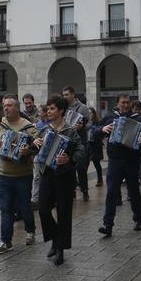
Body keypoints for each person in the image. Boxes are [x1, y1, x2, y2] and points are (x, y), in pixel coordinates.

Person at [34, 95, 85, 265]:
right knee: (42, 208)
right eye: (47, 109)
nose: (48, 112)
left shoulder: (70, 131)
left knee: (64, 212)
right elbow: (35, 149)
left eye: (52, 108)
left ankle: (60, 249)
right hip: (47, 174)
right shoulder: (44, 129)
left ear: (61, 111)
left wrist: (69, 158)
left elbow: (81, 150)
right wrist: (36, 143)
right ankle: (55, 238)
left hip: (64, 176)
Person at [0, 95, 39, 254]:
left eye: (9, 105)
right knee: (6, 209)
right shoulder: (0, 126)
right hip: (4, 176)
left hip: (23, 175)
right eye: (4, 105)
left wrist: (28, 150)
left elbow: (39, 146)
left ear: (17, 108)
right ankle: (5, 241)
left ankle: (30, 230)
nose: (6, 108)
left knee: (25, 208)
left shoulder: (29, 127)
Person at [96, 94, 141, 237]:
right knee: (111, 192)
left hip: (132, 161)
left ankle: (138, 220)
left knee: (134, 191)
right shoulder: (110, 117)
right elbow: (95, 132)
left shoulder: (138, 118)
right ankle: (108, 225)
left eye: (127, 103)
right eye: (122, 103)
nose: (125, 105)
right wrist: (102, 129)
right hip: (115, 161)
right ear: (117, 103)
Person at [62, 86, 91, 202]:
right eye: (63, 95)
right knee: (70, 168)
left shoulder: (82, 108)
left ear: (73, 94)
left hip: (81, 141)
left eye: (66, 95)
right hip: (68, 142)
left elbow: (90, 124)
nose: (65, 97)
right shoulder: (63, 108)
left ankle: (84, 190)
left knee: (81, 168)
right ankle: (72, 191)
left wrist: (82, 126)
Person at [31, 104, 50, 208]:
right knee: (36, 177)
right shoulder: (37, 124)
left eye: (40, 111)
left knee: (47, 177)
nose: (38, 113)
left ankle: (49, 198)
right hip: (38, 154)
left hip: (48, 155)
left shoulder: (52, 123)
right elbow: (33, 137)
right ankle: (34, 199)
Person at [87, 107, 104, 187]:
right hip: (87, 144)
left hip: (95, 145)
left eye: (90, 113)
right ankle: (82, 180)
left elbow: (100, 132)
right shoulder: (85, 122)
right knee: (84, 164)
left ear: (94, 114)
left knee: (96, 163)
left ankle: (100, 179)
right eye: (88, 113)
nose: (89, 115)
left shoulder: (97, 122)